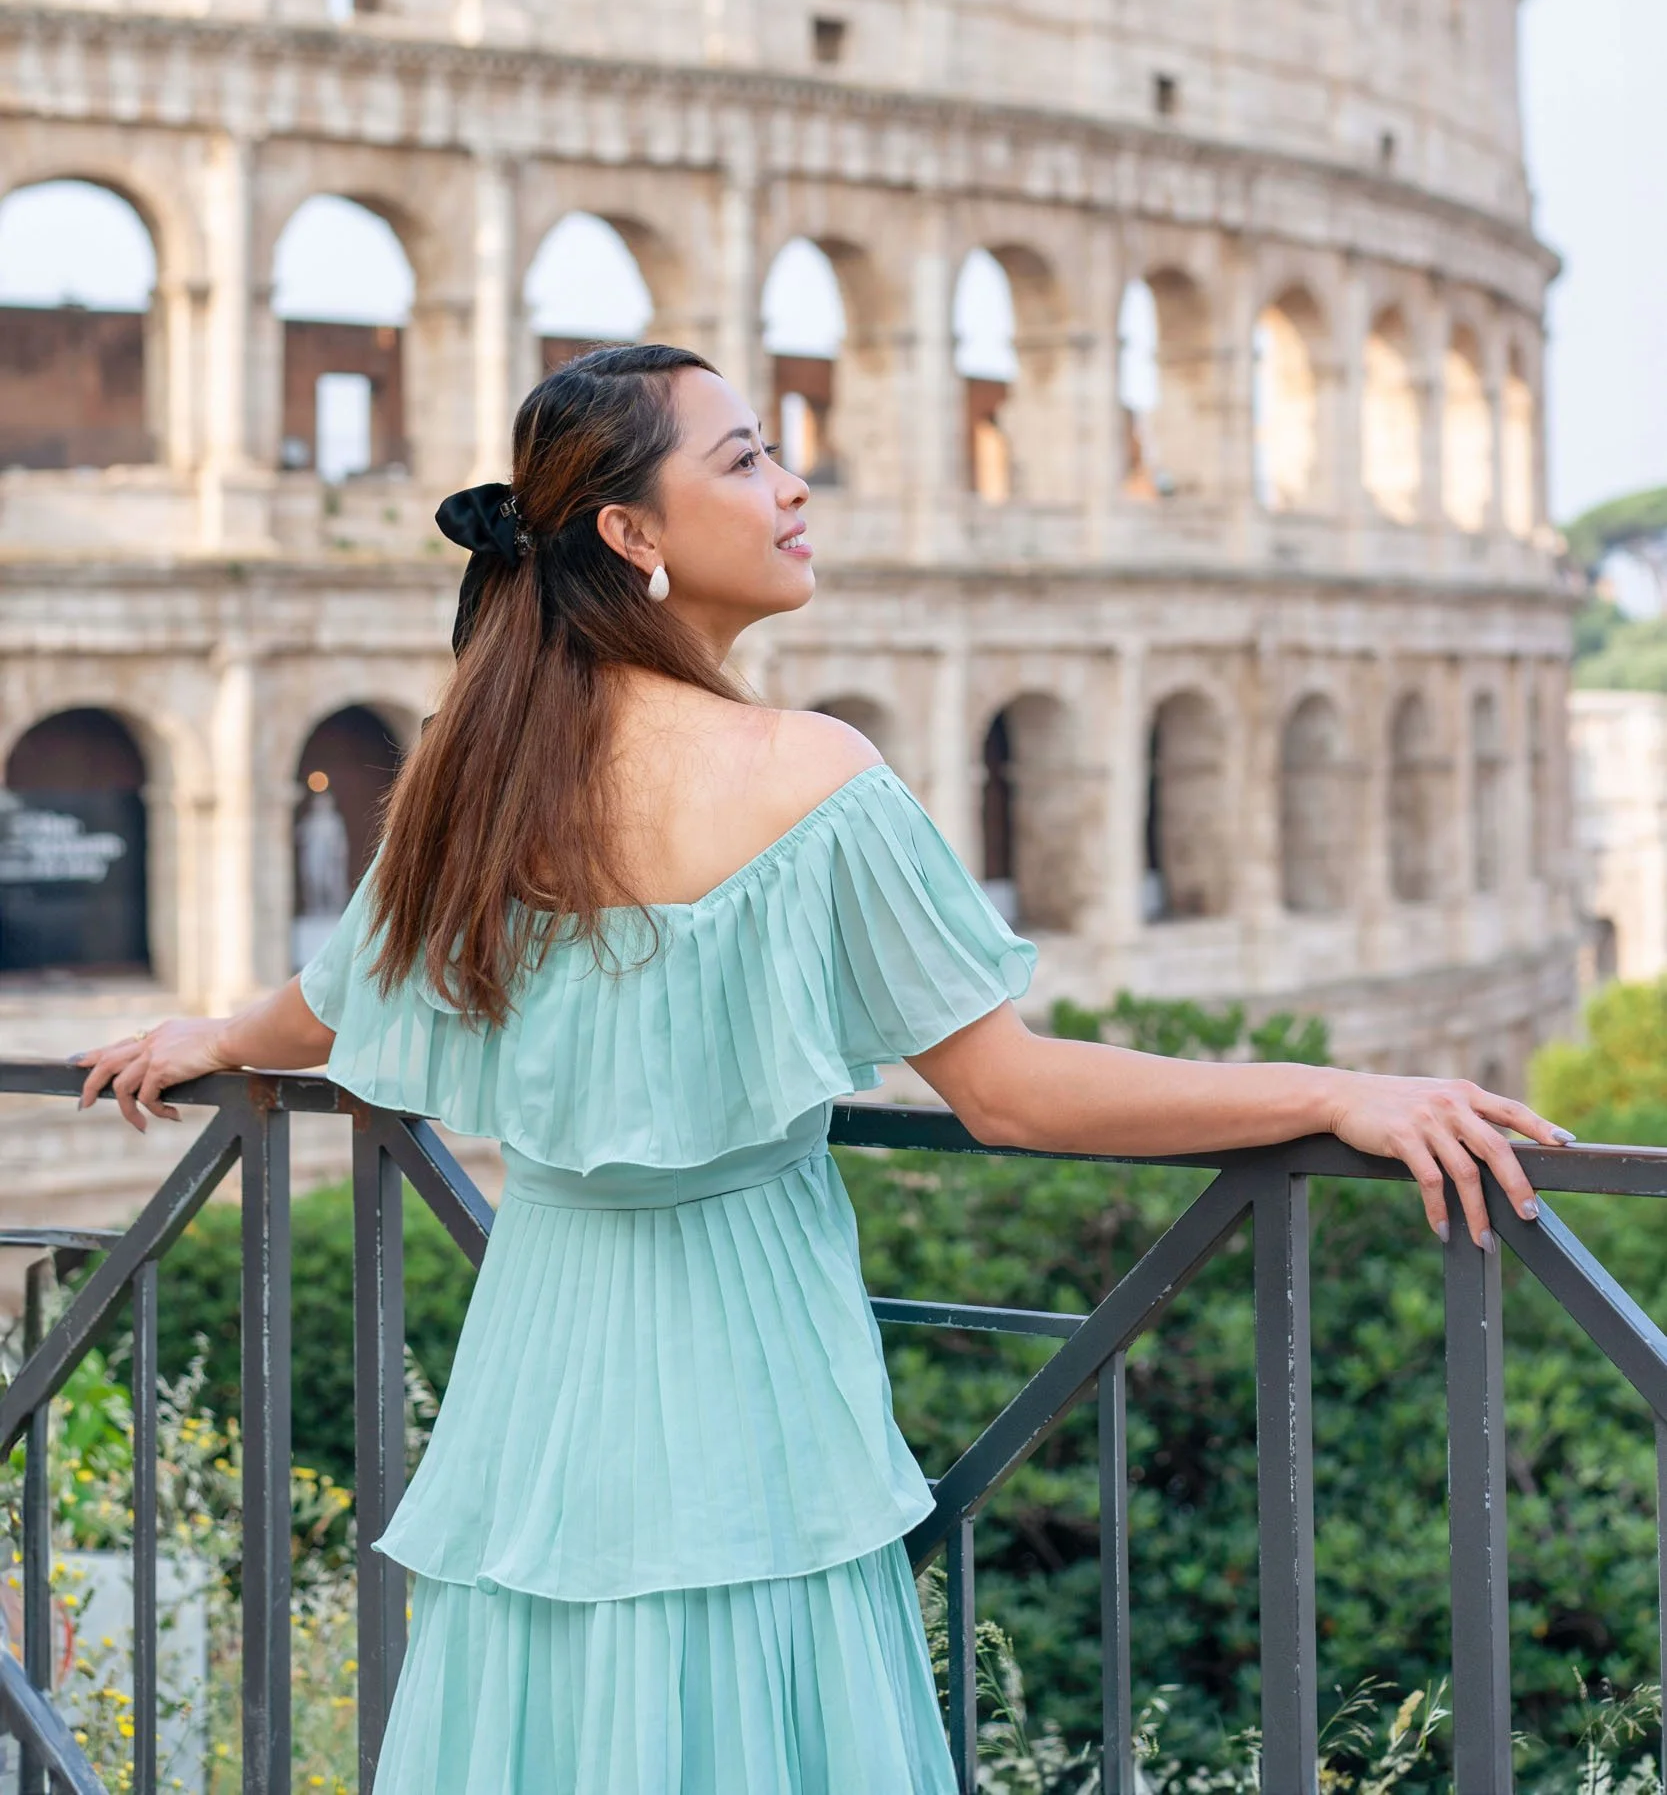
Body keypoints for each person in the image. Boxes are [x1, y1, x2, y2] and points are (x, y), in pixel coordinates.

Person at [74, 344, 1571, 1795]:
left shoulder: (473, 765)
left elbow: (336, 1003)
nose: (795, 488)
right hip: (746, 1355)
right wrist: (1328, 1095)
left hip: (539, 1354)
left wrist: (218, 1035)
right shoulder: (812, 772)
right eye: (745, 460)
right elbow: (1012, 1094)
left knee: (548, 1715)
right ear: (629, 532)